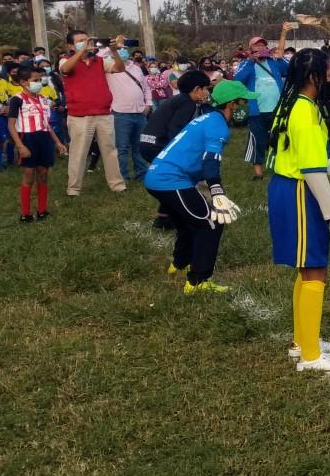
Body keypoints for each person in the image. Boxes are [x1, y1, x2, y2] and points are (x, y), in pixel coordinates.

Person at [266, 49, 330, 373]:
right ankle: (311, 356)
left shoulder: (290, 102)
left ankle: (303, 341)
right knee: (315, 268)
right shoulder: (304, 112)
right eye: (329, 75)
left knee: (307, 268)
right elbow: (314, 171)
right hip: (300, 191)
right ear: (315, 77)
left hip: (286, 188)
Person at [144, 80, 251, 295]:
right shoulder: (217, 124)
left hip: (159, 177)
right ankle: (198, 281)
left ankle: (180, 264)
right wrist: (217, 192)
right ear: (231, 104)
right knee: (211, 223)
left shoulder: (207, 118)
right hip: (170, 179)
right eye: (243, 102)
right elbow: (211, 160)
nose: (246, 106)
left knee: (187, 223)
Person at [141, 70, 213, 229]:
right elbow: (176, 130)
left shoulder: (176, 100)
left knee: (171, 179)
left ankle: (164, 216)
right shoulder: (188, 103)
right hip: (157, 146)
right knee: (180, 178)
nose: (207, 92)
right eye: (206, 88)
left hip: (148, 144)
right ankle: (180, 214)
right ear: (196, 89)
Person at [58, 30, 127, 196]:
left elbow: (119, 68)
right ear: (70, 45)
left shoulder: (99, 61)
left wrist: (114, 51)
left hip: (103, 113)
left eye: (87, 40)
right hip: (79, 115)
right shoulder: (66, 60)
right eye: (81, 40)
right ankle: (73, 189)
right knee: (78, 153)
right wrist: (81, 52)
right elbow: (65, 70)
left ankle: (117, 185)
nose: (86, 42)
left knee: (110, 150)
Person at [7, 64, 68, 222]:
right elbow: (11, 125)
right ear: (23, 82)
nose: (39, 83)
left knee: (43, 174)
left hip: (44, 139)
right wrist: (20, 146)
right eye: (35, 80)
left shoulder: (43, 100)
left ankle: (42, 211)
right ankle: (25, 213)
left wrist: (58, 143)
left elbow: (46, 124)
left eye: (40, 80)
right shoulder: (17, 100)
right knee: (29, 175)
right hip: (28, 139)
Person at [106, 42, 153, 183]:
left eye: (124, 48)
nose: (122, 51)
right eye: (119, 49)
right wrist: (110, 49)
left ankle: (142, 174)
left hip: (140, 113)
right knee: (122, 147)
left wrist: (148, 104)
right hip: (120, 113)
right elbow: (98, 55)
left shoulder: (137, 68)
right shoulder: (109, 67)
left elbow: (146, 88)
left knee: (139, 146)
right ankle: (122, 177)